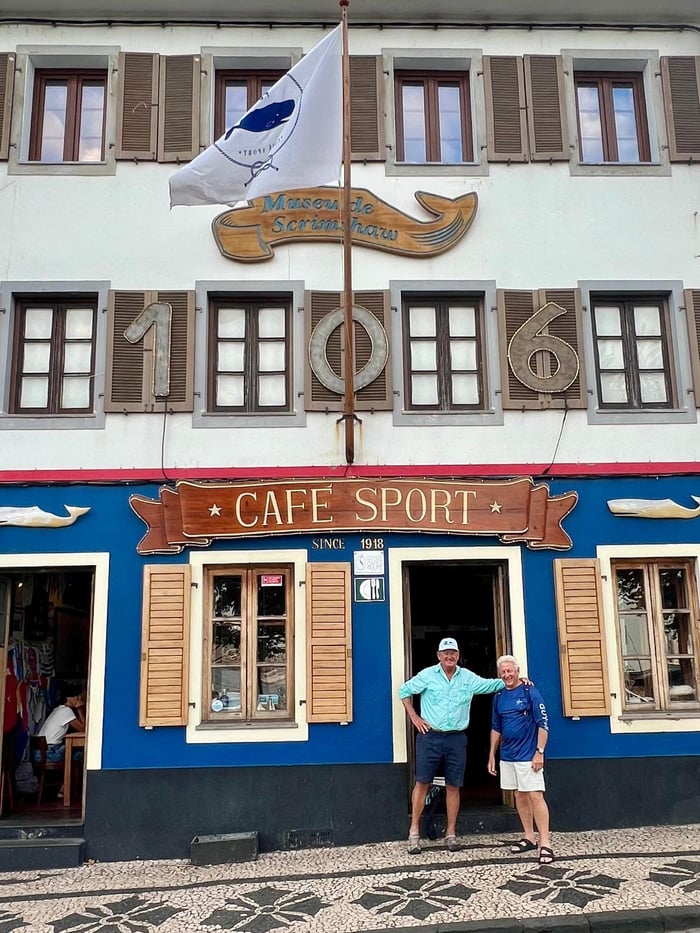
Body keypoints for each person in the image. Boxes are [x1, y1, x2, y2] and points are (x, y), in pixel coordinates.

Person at [399, 637, 508, 854]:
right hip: (430, 737)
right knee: (422, 783)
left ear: (458, 655)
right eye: (445, 653)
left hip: (457, 738)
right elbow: (404, 691)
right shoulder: (427, 675)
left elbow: (491, 684)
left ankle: (451, 833)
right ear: (438, 655)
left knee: (453, 785)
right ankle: (414, 833)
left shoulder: (467, 677)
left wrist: (516, 679)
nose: (450, 656)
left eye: (453, 653)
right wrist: (414, 718)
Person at [488, 655, 553, 864]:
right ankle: (529, 836)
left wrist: (539, 751)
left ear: (517, 671)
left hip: (528, 755)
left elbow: (543, 724)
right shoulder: (498, 696)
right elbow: (496, 727)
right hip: (507, 756)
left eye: (510, 671)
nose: (507, 675)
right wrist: (491, 754)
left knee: (535, 796)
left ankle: (546, 844)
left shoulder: (530, 691)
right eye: (503, 672)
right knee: (519, 795)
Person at [34, 691, 86, 797]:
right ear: (68, 698)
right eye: (76, 696)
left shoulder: (57, 709)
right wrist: (79, 709)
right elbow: (84, 728)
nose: (78, 698)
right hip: (49, 752)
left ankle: (66, 788)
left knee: (76, 754)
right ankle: (65, 789)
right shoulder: (66, 711)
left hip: (39, 752)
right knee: (79, 754)